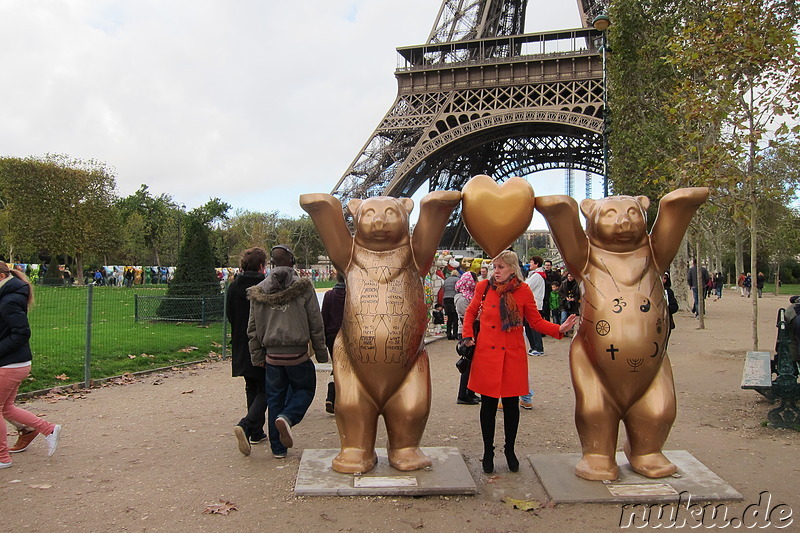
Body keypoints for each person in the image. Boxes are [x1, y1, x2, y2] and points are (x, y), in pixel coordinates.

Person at [459, 250, 577, 474]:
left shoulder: (523, 291)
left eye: (501, 268)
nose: (496, 272)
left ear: (512, 268)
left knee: (512, 407)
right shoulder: (483, 287)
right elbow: (470, 312)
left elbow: (535, 321)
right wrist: (467, 336)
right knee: (488, 406)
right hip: (487, 355)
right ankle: (488, 452)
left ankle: (510, 450)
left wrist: (559, 329)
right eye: (495, 268)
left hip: (512, 356)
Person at [247, 245, 329, 459]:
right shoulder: (303, 287)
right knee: (306, 388)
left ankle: (278, 448)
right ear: (292, 262)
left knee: (274, 398)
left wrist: (257, 356)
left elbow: (253, 327)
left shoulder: (259, 289)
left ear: (271, 264)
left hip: (272, 355)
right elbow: (315, 321)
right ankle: (288, 417)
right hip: (298, 354)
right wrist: (321, 353)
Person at [0, 261, 62, 468]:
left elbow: (21, 333)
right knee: (7, 409)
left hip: (10, 364)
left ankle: (2, 457)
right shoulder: (8, 296)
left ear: (1, 277)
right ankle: (49, 429)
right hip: (15, 362)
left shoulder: (8, 300)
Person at [227, 247, 268, 456]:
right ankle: (246, 424)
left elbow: (230, 314)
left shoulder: (233, 287)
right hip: (259, 343)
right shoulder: (262, 287)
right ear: (262, 266)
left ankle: (256, 431)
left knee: (252, 386)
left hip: (240, 343)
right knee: (267, 388)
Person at [321, 271, 346, 414]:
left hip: (332, 336)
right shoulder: (354, 295)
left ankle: (332, 396)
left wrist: (323, 338)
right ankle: (336, 397)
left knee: (337, 366)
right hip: (349, 336)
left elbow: (324, 317)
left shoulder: (329, 295)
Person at [454, 271, 479, 405]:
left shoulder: (468, 296)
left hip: (471, 332)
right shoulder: (462, 299)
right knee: (467, 365)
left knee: (472, 366)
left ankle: (470, 392)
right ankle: (462, 395)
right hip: (466, 334)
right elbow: (467, 317)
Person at [442, 267, 460, 340]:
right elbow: (459, 288)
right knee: (455, 317)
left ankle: (448, 334)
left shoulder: (446, 280)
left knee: (449, 317)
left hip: (446, 298)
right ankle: (455, 334)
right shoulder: (457, 280)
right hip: (453, 298)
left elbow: (443, 289)